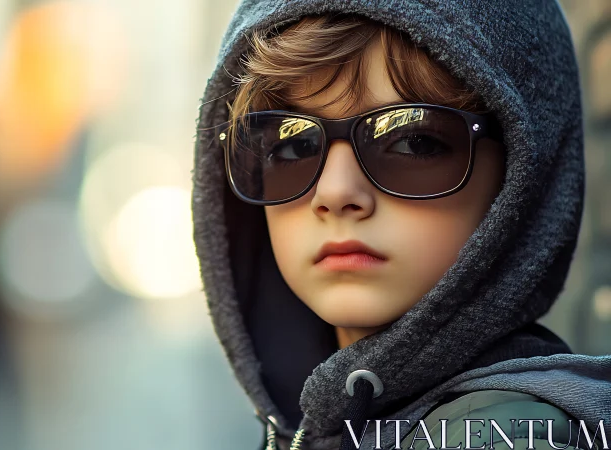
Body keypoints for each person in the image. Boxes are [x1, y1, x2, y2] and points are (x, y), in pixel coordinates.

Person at [191, 2, 611, 450]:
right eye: (291, 148)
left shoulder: (506, 435)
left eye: (414, 141)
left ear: (523, 176)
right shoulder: (321, 421)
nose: (334, 193)